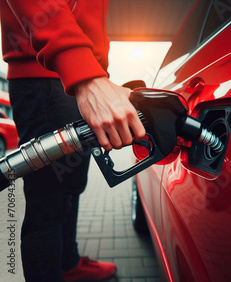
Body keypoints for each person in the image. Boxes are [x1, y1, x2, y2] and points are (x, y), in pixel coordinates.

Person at [0, 0, 146, 281]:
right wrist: (84, 73)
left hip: (75, 76)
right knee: (47, 201)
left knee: (72, 186)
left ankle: (68, 264)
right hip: (46, 76)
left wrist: (91, 71)